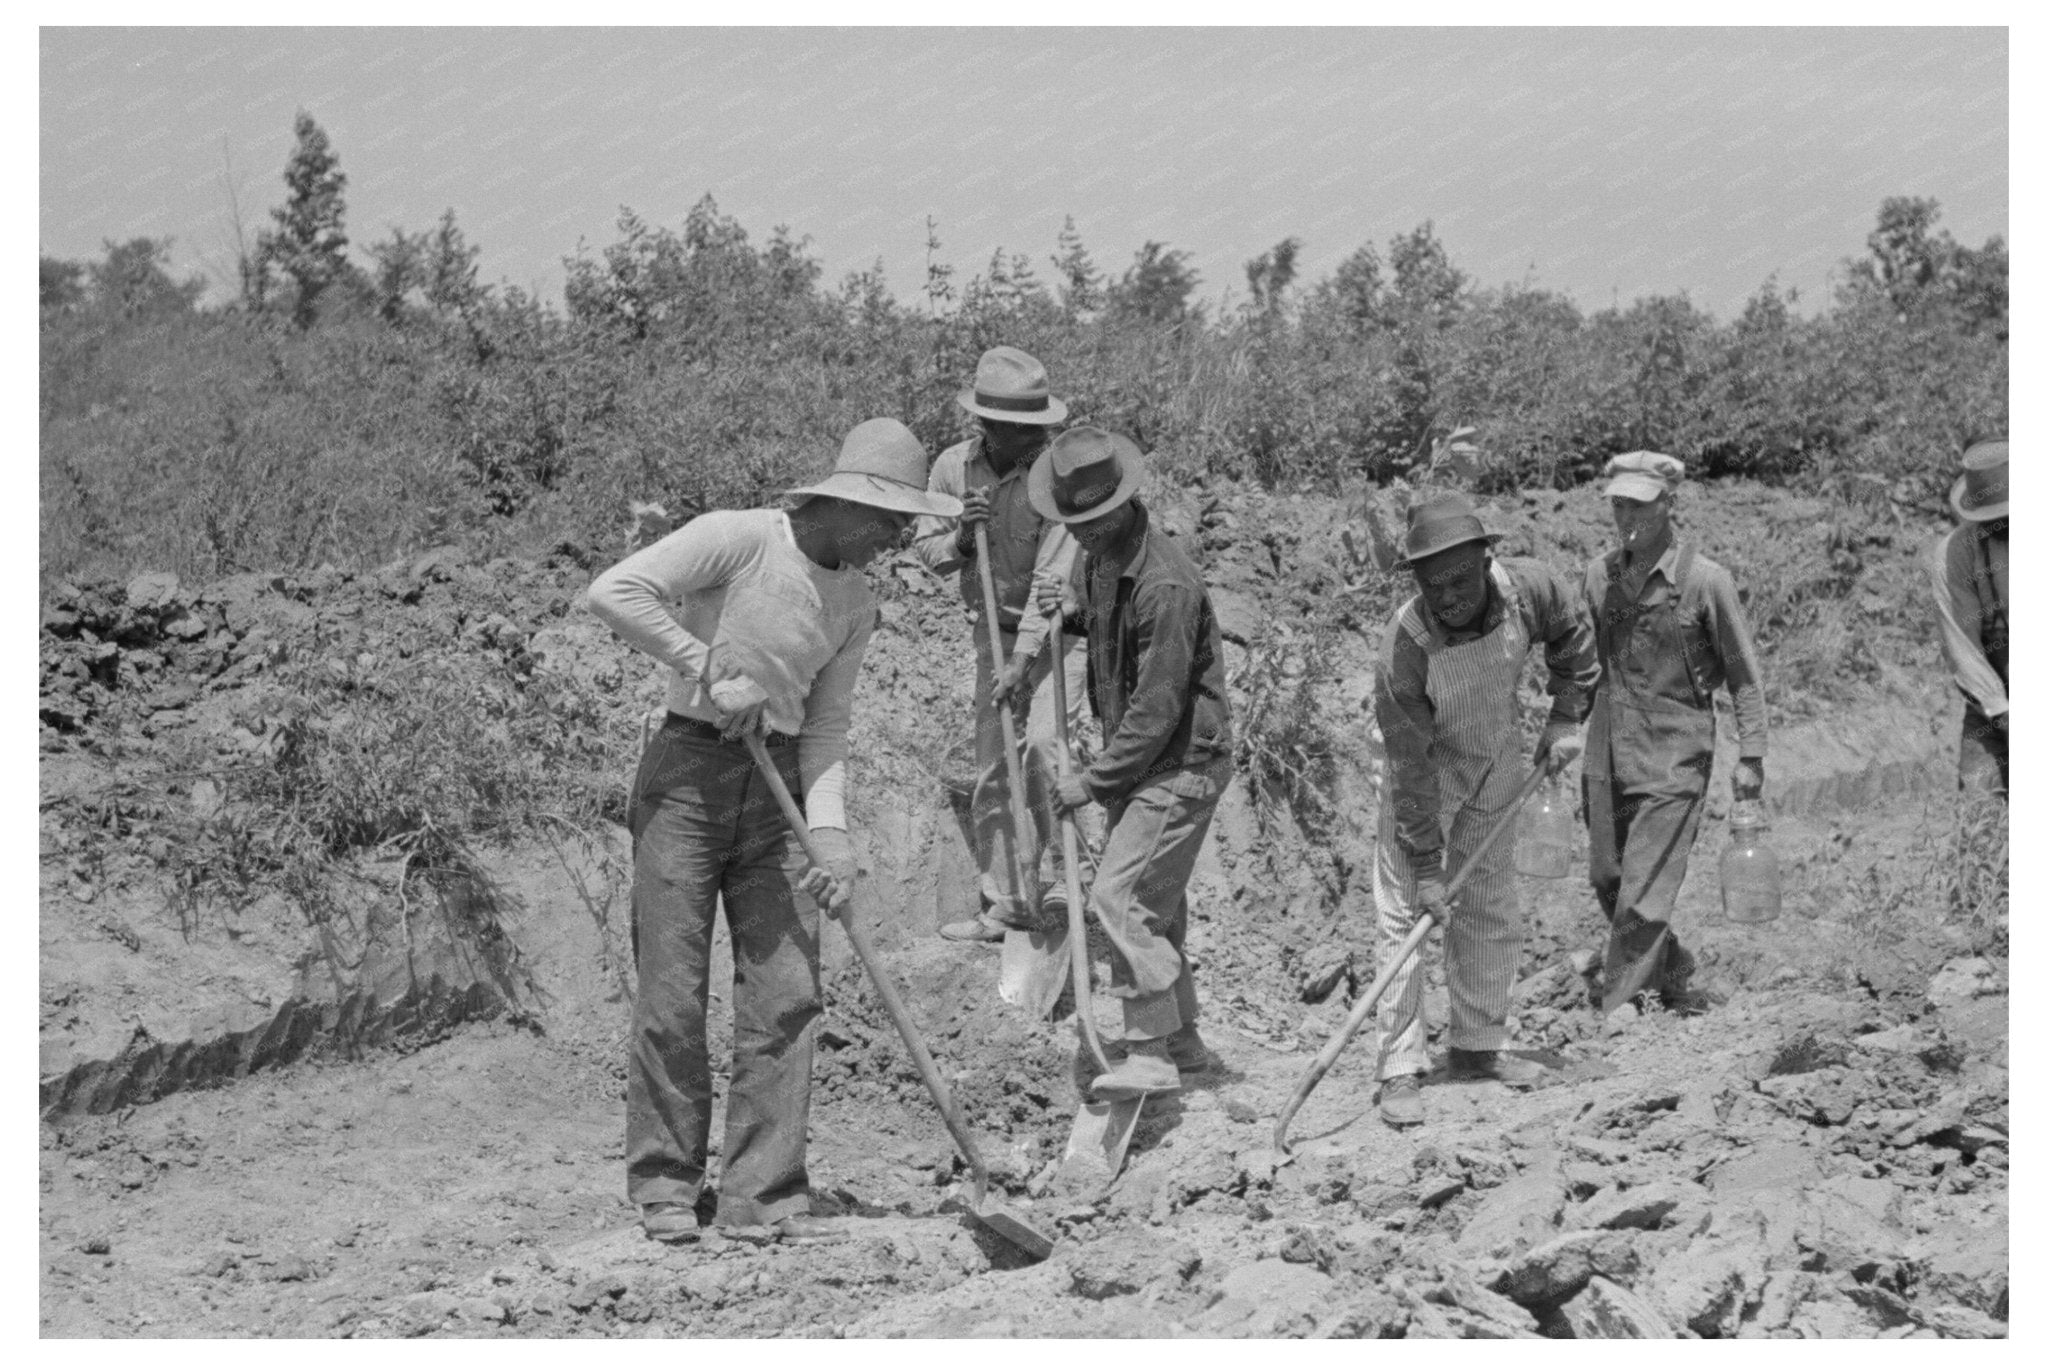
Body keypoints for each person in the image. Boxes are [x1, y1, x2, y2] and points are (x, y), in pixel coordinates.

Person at [587, 418, 961, 1244]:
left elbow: (826, 727)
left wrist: (829, 837)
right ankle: (665, 1183)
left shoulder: (856, 601)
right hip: (686, 776)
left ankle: (764, 1190)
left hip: (780, 786)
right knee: (673, 993)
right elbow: (615, 591)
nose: (898, 541)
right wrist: (707, 665)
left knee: (789, 992)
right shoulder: (740, 538)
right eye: (893, 523)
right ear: (850, 505)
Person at [1370, 493, 1599, 1128]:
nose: (1448, 596)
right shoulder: (1405, 647)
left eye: (1459, 578)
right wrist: (1428, 865)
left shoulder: (1529, 590)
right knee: (1404, 920)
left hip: (1495, 763)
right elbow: (1410, 764)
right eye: (1431, 583)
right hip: (1423, 778)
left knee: (1490, 909)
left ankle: (1476, 1049)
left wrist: (1564, 716)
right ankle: (1399, 1067)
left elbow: (1575, 637)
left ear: (1486, 560)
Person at [1028, 427, 1233, 1098]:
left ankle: (1149, 1051)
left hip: (1179, 761)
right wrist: (1076, 614)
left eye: (1091, 518)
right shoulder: (1100, 557)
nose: (1081, 532)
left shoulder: (1165, 582)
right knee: (1157, 904)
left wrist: (1090, 781)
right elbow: (1110, 624)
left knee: (1119, 897)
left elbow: (1157, 706)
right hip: (1143, 758)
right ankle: (1184, 1042)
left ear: (1123, 503)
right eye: (1072, 521)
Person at [910, 345, 1094, 943]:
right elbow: (928, 551)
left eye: (1039, 428)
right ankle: (1008, 903)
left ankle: (1071, 879)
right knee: (995, 765)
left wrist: (1022, 662)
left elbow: (1054, 576)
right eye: (1021, 429)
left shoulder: (1055, 476)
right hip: (992, 628)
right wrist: (965, 536)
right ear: (990, 425)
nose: (1036, 439)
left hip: (1059, 633)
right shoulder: (952, 469)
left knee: (1045, 747)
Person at [1582, 452, 1769, 1017]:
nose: (1627, 515)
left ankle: (1621, 1010)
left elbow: (1742, 673)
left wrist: (1752, 754)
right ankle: (1673, 966)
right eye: (1619, 504)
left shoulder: (1706, 581)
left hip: (1675, 751)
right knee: (1608, 877)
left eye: (1640, 503)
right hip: (1608, 746)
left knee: (1642, 890)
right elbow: (1586, 664)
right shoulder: (1598, 576)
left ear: (1669, 504)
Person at [1928, 439, 2008, 798]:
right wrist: (2002, 713)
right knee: (1979, 810)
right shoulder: (1954, 555)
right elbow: (1963, 647)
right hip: (1991, 700)